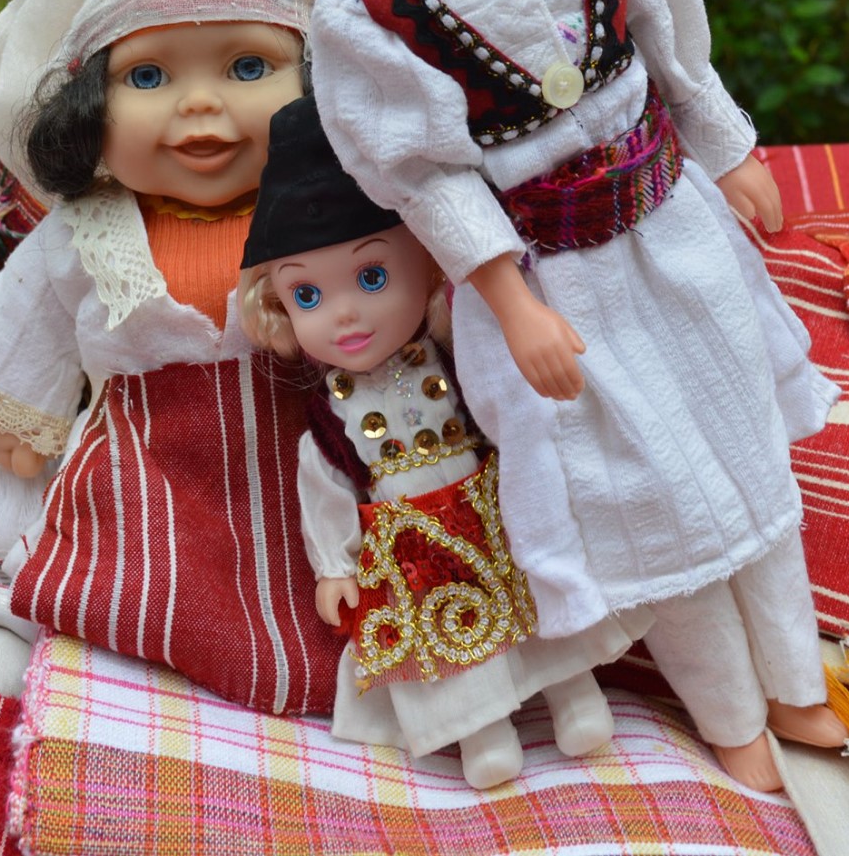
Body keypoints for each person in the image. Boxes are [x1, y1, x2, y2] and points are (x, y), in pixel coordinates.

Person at [307, 0, 845, 790]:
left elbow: (671, 40)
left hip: (674, 227)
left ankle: (796, 681)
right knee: (644, 492)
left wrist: (729, 147)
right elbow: (430, 177)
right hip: (556, 277)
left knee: (743, 434)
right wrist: (512, 305)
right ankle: (730, 713)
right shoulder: (368, 9)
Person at [237, 95, 631, 789]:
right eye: (307, 297)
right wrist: (334, 567)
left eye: (371, 277)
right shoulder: (328, 418)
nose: (344, 315)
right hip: (410, 547)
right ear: (278, 306)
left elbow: (511, 423)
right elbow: (324, 493)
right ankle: (482, 730)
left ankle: (576, 695)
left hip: (494, 512)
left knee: (536, 603)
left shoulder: (462, 360)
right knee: (450, 647)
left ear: (427, 267)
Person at [0, 0, 347, 482]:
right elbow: (28, 323)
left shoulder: (335, 207)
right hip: (139, 491)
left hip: (315, 483)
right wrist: (16, 410)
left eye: (248, 67)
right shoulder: (90, 233)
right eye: (148, 77)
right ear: (90, 106)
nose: (199, 102)